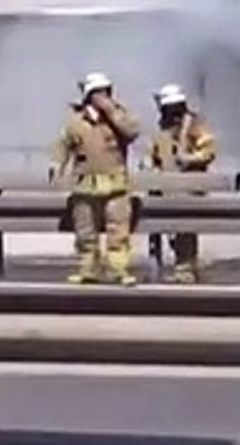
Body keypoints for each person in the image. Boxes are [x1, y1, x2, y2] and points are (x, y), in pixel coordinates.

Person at [49, 72, 142, 286]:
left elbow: (132, 131)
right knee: (86, 232)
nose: (103, 97)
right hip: (85, 186)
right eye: (98, 93)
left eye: (106, 92)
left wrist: (111, 112)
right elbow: (63, 145)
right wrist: (57, 164)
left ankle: (117, 269)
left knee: (117, 232)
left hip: (115, 186)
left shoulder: (118, 117)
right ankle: (87, 269)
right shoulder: (76, 121)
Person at [143, 84, 217, 284]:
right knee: (170, 231)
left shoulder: (194, 125)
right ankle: (175, 266)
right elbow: (152, 153)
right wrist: (150, 166)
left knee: (185, 229)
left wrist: (190, 158)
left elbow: (208, 151)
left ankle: (186, 269)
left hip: (189, 189)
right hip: (166, 188)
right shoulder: (162, 129)